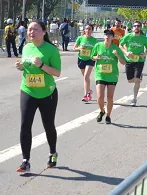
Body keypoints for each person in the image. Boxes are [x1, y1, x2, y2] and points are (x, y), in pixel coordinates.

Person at [15, 21, 62, 172]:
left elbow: (57, 73)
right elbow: (26, 66)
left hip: (47, 92)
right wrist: (21, 66)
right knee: (25, 125)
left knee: (48, 125)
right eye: (30, 29)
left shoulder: (51, 50)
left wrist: (41, 65)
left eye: (35, 29)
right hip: (28, 90)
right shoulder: (26, 47)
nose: (31, 32)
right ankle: (25, 160)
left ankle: (52, 152)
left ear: (43, 32)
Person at [92, 29, 126, 124]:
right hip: (100, 74)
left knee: (109, 97)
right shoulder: (98, 46)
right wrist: (96, 57)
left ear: (112, 37)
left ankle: (108, 116)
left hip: (112, 75)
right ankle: (102, 111)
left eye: (110, 35)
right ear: (104, 36)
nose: (107, 36)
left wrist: (117, 55)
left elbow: (123, 62)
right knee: (99, 96)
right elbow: (92, 56)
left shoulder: (116, 48)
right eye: (106, 35)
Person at [120, 21, 147, 106]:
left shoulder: (144, 38)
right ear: (132, 27)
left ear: (140, 28)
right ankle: (138, 77)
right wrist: (126, 52)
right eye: (135, 26)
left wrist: (145, 53)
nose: (136, 27)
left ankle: (134, 98)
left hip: (139, 61)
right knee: (130, 80)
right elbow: (120, 45)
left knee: (137, 80)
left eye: (138, 26)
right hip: (129, 60)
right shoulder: (128, 36)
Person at [73, 23, 98, 102]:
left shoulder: (94, 40)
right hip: (81, 59)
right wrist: (80, 48)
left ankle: (86, 95)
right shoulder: (80, 38)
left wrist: (96, 56)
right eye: (86, 29)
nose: (87, 30)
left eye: (89, 29)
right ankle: (89, 91)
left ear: (92, 31)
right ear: (84, 30)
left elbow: (97, 51)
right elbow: (74, 48)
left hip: (90, 59)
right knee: (85, 77)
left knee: (86, 76)